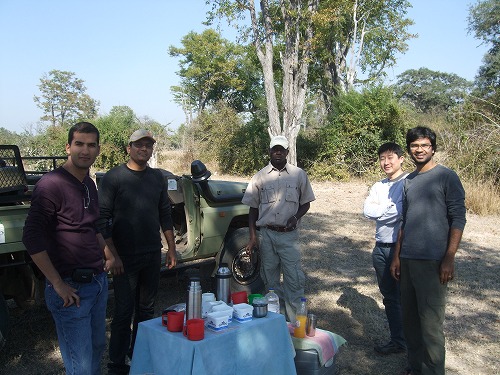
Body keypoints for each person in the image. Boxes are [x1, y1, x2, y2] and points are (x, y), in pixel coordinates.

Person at [22, 121, 113, 375]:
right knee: (80, 364)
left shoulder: (89, 184)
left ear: (97, 150)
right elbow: (31, 236)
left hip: (97, 283)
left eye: (91, 145)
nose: (85, 150)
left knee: (96, 347)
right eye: (79, 144)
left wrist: (108, 254)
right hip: (71, 288)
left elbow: (91, 225)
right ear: (68, 147)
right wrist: (57, 284)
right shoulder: (51, 184)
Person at [97, 129, 177, 375]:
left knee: (146, 309)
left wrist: (171, 247)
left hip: (152, 253)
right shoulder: (114, 178)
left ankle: (140, 354)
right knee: (123, 312)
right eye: (139, 145)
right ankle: (117, 364)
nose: (144, 149)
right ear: (128, 148)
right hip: (125, 258)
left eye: (148, 146)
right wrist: (113, 255)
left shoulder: (157, 178)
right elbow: (101, 219)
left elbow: (165, 213)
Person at [390, 126, 466, 375]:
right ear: (409, 149)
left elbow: (458, 218)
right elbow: (404, 220)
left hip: (433, 261)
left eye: (424, 145)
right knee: (410, 322)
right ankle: (414, 367)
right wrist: (397, 257)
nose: (419, 149)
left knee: (431, 325)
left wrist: (449, 257)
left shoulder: (447, 177)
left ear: (432, 148)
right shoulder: (408, 180)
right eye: (414, 145)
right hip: (408, 260)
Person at [242, 135, 315, 323]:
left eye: (282, 149)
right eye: (275, 149)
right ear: (269, 151)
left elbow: (306, 203)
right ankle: (276, 324)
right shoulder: (259, 176)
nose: (278, 152)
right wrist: (252, 237)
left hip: (289, 237)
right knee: (270, 284)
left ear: (287, 152)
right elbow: (252, 209)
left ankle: (296, 326)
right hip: (266, 236)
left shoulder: (299, 174)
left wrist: (295, 217)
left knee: (294, 281)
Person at [363, 142, 408, 355]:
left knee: (402, 297)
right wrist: (385, 209)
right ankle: (398, 341)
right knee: (389, 297)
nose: (386, 162)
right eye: (382, 158)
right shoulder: (378, 185)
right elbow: (367, 210)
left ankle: (408, 342)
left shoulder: (408, 182)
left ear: (401, 159)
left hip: (399, 249)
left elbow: (399, 213)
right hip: (380, 248)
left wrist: (381, 210)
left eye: (390, 157)